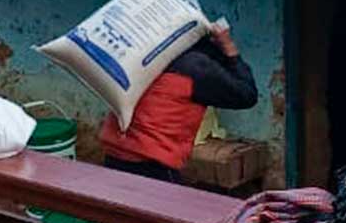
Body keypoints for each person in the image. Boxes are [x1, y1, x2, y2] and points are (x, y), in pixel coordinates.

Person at [97, 22, 259, 186]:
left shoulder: (135, 55)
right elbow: (246, 94)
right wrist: (228, 45)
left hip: (115, 154)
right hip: (153, 163)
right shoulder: (194, 66)